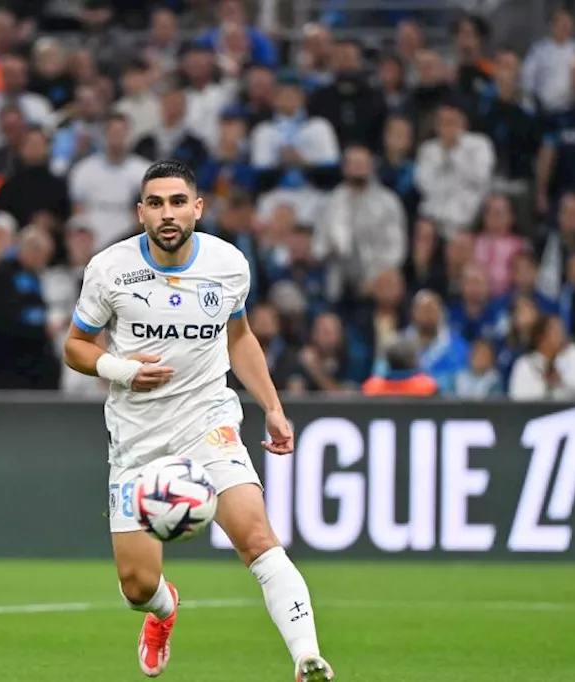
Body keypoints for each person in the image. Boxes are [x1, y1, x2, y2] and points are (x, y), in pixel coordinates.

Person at [63, 159, 334, 681]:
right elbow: (75, 346)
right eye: (157, 204)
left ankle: (307, 658)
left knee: (257, 537)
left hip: (207, 419)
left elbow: (240, 338)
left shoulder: (228, 264)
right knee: (137, 587)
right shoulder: (109, 269)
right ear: (141, 212)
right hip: (137, 438)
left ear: (198, 208)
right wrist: (118, 368)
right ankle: (165, 612)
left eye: (178, 202)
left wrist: (273, 407)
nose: (169, 214)